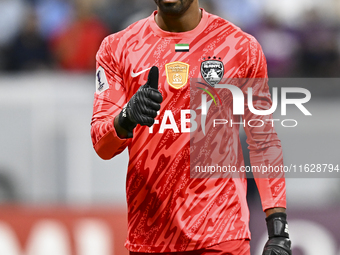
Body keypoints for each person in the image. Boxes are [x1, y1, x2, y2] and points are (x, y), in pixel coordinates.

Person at [91, 0, 292, 254]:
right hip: (151, 237)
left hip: (222, 233)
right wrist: (126, 117)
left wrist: (278, 228)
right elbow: (101, 144)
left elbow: (262, 140)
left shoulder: (240, 47)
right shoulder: (118, 48)